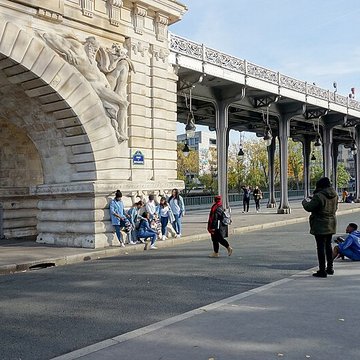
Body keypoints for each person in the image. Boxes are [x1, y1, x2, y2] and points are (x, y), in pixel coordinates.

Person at [302, 177, 338, 277]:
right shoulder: (335, 195)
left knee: (320, 247)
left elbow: (309, 207)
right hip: (331, 223)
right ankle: (330, 268)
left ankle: (322, 270)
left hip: (320, 223)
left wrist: (305, 201)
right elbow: (335, 208)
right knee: (328, 246)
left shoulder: (319, 196)